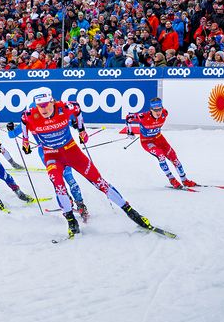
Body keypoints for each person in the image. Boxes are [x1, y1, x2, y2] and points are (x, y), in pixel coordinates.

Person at [21, 90, 153, 238]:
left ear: (52, 101)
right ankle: (71, 220)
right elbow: (24, 121)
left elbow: (77, 108)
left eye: (45, 105)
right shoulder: (30, 114)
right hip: (51, 154)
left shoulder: (64, 108)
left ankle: (131, 212)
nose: (43, 109)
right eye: (40, 106)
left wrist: (82, 129)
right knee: (58, 185)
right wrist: (25, 141)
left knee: (99, 182)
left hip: (71, 151)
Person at [6, 102, 89, 221]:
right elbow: (68, 122)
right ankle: (79, 205)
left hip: (50, 153)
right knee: (67, 178)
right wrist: (75, 124)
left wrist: (10, 129)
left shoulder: (30, 119)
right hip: (56, 151)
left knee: (59, 180)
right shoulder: (38, 117)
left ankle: (70, 204)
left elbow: (12, 135)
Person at [125, 97, 196, 189]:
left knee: (174, 157)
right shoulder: (143, 116)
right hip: (147, 142)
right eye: (155, 110)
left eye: (160, 109)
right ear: (151, 110)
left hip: (159, 138)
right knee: (161, 156)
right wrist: (129, 132)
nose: (158, 112)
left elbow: (161, 115)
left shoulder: (164, 113)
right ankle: (172, 179)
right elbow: (128, 117)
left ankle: (185, 180)